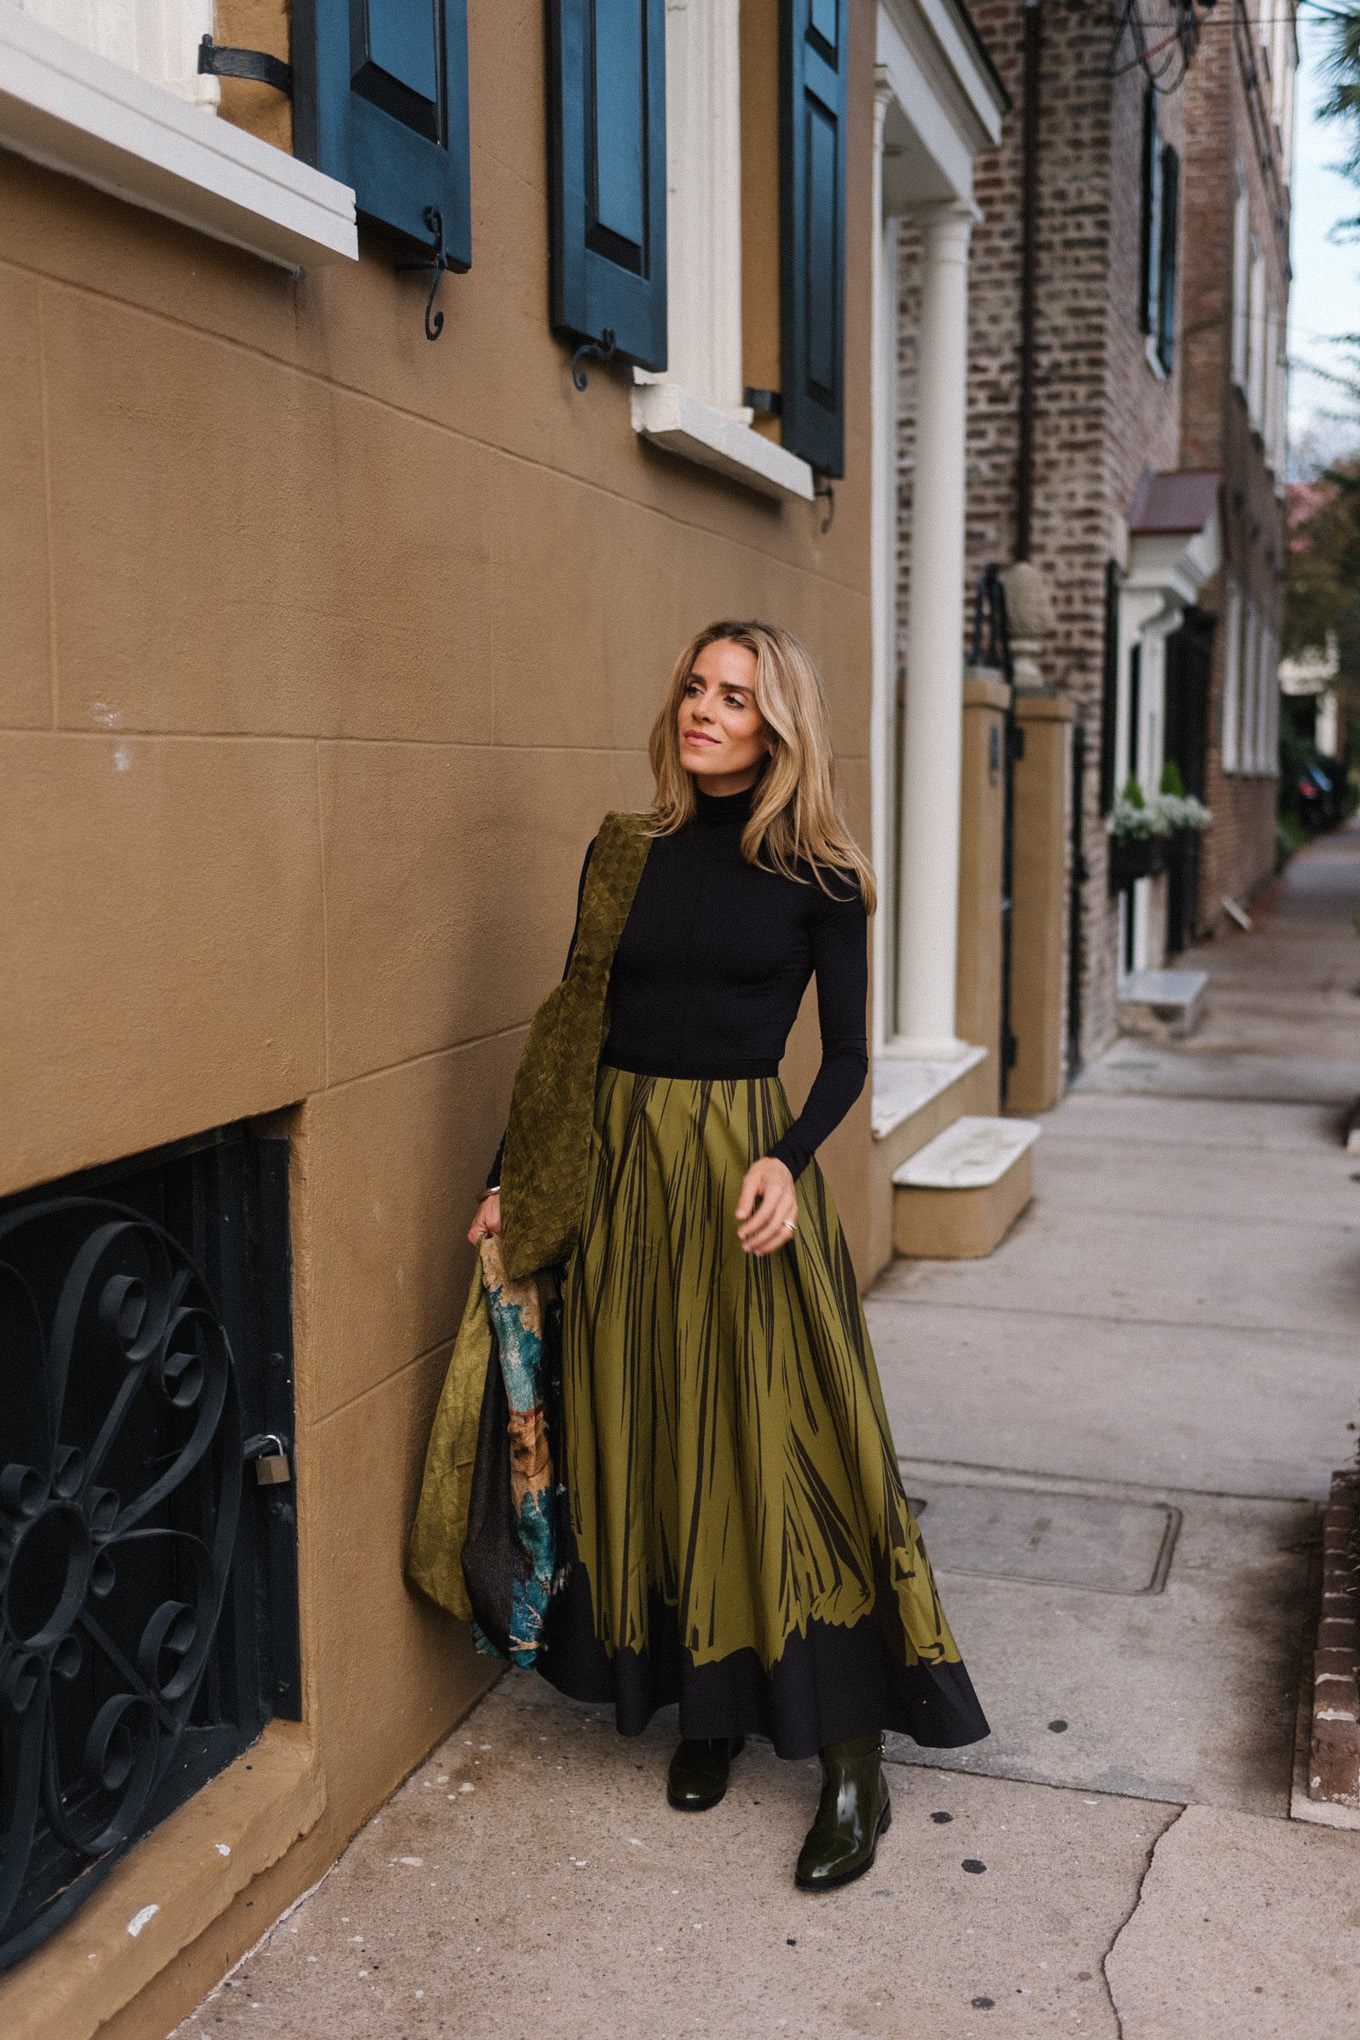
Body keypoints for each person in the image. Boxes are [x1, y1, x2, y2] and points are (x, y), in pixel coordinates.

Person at [467, 621, 987, 1890]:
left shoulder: (819, 875)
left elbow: (853, 1059)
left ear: (778, 725)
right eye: (695, 687)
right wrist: (506, 1181)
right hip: (619, 1175)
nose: (704, 710)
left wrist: (789, 1160)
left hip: (740, 1175)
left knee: (789, 1452)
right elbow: (568, 1036)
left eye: (735, 696)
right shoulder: (621, 854)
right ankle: (704, 1709)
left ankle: (852, 1759)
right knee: (647, 1433)